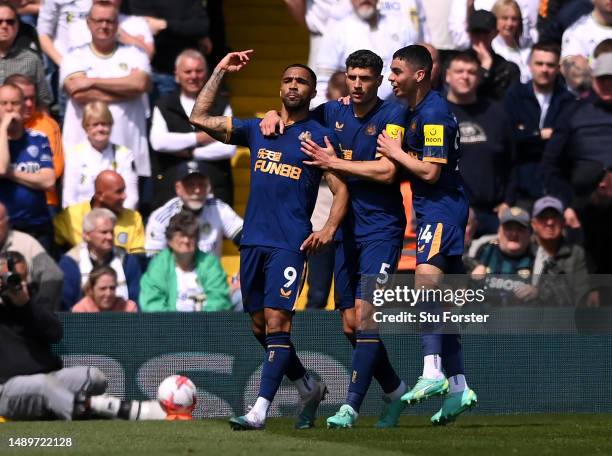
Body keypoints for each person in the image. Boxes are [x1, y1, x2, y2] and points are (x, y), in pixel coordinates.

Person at [189, 50, 349, 430]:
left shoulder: (320, 138)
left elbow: (342, 190)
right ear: (280, 88)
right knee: (260, 327)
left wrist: (327, 229)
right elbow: (198, 117)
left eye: (302, 82)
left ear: (313, 92)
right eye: (288, 80)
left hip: (289, 244)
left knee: (278, 322)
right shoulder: (259, 128)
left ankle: (259, 409)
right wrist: (219, 71)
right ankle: (308, 386)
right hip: (253, 242)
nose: (294, 85)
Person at [266, 49, 409, 428]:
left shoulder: (392, 114)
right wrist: (270, 114)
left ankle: (350, 406)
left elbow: (387, 171)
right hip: (346, 230)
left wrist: (334, 163)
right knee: (349, 324)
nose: (358, 85)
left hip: (381, 229)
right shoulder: (332, 112)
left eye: (365, 78)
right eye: (352, 77)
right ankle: (395, 390)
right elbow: (293, 118)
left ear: (378, 81)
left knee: (365, 318)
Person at [376, 45, 477, 425]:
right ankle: (458, 388)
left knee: (425, 287)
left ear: (419, 75)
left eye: (397, 71)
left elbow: (431, 172)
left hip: (440, 209)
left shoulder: (433, 113)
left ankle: (432, 371)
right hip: (442, 209)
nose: (391, 77)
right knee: (442, 305)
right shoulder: (418, 109)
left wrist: (395, 151)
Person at [0, 255, 166, 420]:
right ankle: (106, 410)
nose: (13, 283)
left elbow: (55, 333)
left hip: (48, 376)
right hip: (7, 388)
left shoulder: (27, 302)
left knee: (94, 377)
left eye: (16, 278)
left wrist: (25, 305)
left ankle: (77, 407)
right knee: (45, 386)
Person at [60, 2, 152, 180]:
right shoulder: (73, 56)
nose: (104, 26)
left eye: (109, 21)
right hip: (85, 160)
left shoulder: (135, 54)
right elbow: (78, 93)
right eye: (99, 21)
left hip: (129, 152)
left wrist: (92, 81)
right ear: (88, 23)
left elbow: (141, 84)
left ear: (117, 24)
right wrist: (127, 89)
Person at [542, 52, 612, 273]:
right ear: (593, 79)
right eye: (603, 79)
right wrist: (566, 204)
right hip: (581, 211)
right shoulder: (573, 111)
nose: (608, 84)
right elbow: (551, 164)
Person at [149, 48, 236, 208]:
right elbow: (159, 142)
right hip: (171, 188)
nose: (193, 76)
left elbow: (228, 148)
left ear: (206, 73)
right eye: (188, 71)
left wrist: (190, 152)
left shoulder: (221, 104)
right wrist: (200, 138)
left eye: (198, 71)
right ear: (177, 74)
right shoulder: (163, 104)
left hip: (214, 186)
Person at [445, 50, 514, 236]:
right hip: (450, 213)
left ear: (479, 78)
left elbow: (512, 161)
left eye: (471, 72)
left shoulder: (496, 113)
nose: (465, 77)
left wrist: (508, 200)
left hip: (493, 214)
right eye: (459, 71)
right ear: (447, 76)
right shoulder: (435, 112)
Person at [504, 42, 574, 207]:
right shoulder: (515, 96)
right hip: (522, 187)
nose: (544, 69)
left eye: (550, 65)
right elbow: (509, 136)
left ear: (558, 68)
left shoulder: (568, 101)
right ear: (530, 65)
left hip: (558, 187)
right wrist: (540, 134)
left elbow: (568, 141)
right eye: (539, 63)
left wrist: (526, 134)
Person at [311, 0, 421, 105]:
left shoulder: (400, 26)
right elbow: (322, 85)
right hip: (352, 115)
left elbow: (412, 70)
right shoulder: (336, 31)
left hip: (397, 111)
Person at [145, 160, 242, 258]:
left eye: (201, 184)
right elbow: (153, 262)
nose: (197, 190)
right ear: (178, 188)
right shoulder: (161, 217)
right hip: (172, 273)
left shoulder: (219, 209)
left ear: (209, 188)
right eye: (190, 185)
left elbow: (247, 239)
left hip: (213, 272)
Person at [0, 83, 55, 252]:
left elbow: (48, 181)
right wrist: (3, 128)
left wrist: (11, 172)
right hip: (6, 229)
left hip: (38, 226)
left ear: (24, 106)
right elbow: (1, 167)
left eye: (15, 103)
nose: (10, 109)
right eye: (3, 103)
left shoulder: (39, 138)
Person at [140, 210, 231, 312]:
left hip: (207, 325)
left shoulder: (210, 264)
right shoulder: (158, 265)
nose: (186, 240)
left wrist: (202, 325)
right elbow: (152, 303)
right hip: (169, 325)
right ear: (169, 240)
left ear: (197, 240)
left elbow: (219, 300)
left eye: (191, 235)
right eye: (181, 235)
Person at [124, 0, 211, 102]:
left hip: (188, 76)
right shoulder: (139, 3)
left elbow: (201, 26)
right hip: (155, 73)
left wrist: (165, 24)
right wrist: (184, 30)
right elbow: (146, 28)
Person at [58, 208, 142, 311]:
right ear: (87, 235)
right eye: (104, 232)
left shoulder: (128, 261)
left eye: (112, 232)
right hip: (82, 323)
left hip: (123, 322)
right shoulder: (70, 263)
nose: (110, 237)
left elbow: (137, 298)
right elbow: (66, 306)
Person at [4, 73, 64, 215]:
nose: (30, 104)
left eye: (33, 98)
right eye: (24, 99)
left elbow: (54, 173)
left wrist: (9, 172)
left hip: (43, 204)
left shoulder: (47, 125)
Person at [62, 101, 138, 209]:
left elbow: (132, 197)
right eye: (95, 125)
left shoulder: (125, 154)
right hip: (83, 220)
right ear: (86, 127)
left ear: (111, 125)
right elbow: (69, 199)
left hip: (118, 217)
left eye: (104, 124)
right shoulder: (74, 155)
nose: (100, 129)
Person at [54, 170, 145, 254]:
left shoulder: (133, 218)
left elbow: (137, 257)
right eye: (119, 192)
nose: (124, 196)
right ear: (100, 195)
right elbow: (51, 246)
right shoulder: (71, 215)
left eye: (124, 190)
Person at [530, 195, 595, 307]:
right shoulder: (525, 250)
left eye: (555, 217)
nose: (550, 222)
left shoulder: (576, 253)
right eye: (543, 217)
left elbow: (581, 294)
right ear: (533, 224)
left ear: (563, 222)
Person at [0, 201, 63, 310]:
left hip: (21, 312)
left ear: (7, 222)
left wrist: (42, 309)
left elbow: (53, 275)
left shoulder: (25, 243)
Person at [471, 206, 536, 305]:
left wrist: (537, 292)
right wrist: (469, 277)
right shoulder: (483, 249)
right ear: (499, 231)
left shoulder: (537, 258)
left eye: (520, 229)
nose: (514, 234)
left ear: (529, 233)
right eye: (508, 228)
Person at [0, 1, 52, 107]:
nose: (4, 26)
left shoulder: (31, 59)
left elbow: (43, 102)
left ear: (18, 26)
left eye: (10, 22)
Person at [467, 9, 522, 100]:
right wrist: (484, 68)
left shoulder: (507, 69)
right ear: (469, 34)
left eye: (485, 33)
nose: (481, 38)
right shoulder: (457, 63)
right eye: (476, 33)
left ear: (495, 34)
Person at [491, 0, 532, 82]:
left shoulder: (524, 46)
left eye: (514, 19)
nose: (509, 23)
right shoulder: (492, 47)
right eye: (505, 18)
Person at [72, 265, 138, 312]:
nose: (108, 294)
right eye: (103, 288)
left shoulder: (128, 308)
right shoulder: (81, 310)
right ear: (91, 289)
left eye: (112, 288)